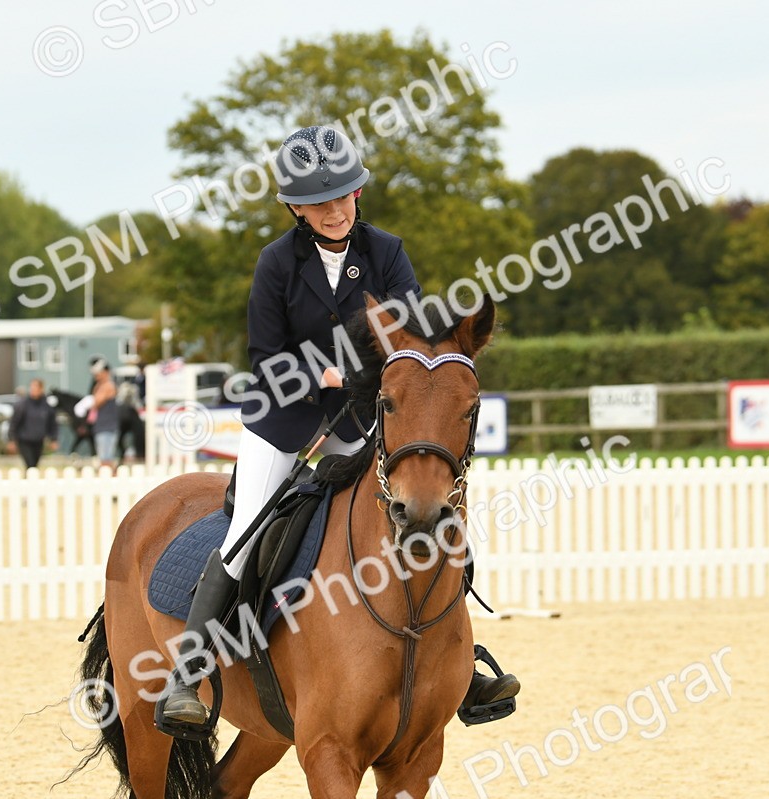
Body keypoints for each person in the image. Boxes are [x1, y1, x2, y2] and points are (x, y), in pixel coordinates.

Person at [157, 125, 520, 726]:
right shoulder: (276, 264)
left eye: (342, 196)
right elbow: (265, 359)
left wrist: (365, 383)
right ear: (297, 208)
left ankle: (460, 667)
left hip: (360, 417)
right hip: (284, 422)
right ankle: (187, 676)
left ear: (358, 195)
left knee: (432, 512)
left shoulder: (387, 252)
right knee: (244, 532)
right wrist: (321, 374)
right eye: (318, 202)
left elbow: (409, 339)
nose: (332, 211)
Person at [7, 378, 59, 469]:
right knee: (30, 465)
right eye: (32, 387)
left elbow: (52, 424)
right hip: (24, 440)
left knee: (34, 465)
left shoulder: (46, 406)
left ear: (41, 389)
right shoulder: (23, 405)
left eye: (36, 387)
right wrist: (12, 439)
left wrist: (53, 439)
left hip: (38, 440)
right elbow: (14, 422)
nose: (33, 389)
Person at [87, 358, 120, 469]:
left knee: (106, 459)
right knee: (104, 458)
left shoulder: (108, 386)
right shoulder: (101, 386)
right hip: (102, 426)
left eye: (98, 374)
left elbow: (96, 402)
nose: (96, 376)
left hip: (107, 427)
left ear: (105, 372)